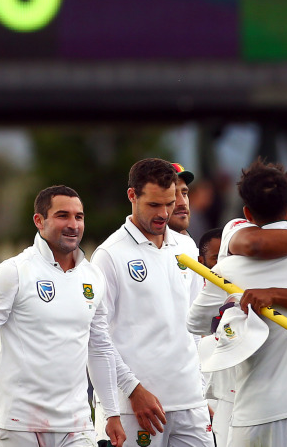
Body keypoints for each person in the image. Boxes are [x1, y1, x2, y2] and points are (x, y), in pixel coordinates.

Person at [188, 161, 287, 447]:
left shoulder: (228, 268)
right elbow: (255, 244)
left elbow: (196, 322)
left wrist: (255, 304)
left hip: (261, 405)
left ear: (248, 212)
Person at [0, 185, 128, 447]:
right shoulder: (14, 271)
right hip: (17, 426)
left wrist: (112, 412)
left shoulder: (93, 277)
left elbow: (100, 347)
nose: (73, 224)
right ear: (39, 221)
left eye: (79, 217)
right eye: (63, 216)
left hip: (77, 424)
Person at [91, 158, 212, 447]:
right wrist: (133, 391)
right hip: (135, 408)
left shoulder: (186, 247)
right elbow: (97, 338)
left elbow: (197, 326)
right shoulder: (109, 255)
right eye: (154, 205)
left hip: (190, 403)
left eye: (170, 203)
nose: (164, 213)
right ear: (132, 196)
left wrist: (201, 389)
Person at [195, 229, 231, 446]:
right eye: (216, 258)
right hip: (202, 395)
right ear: (201, 261)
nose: (222, 266)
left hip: (234, 394)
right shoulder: (192, 296)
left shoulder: (245, 291)